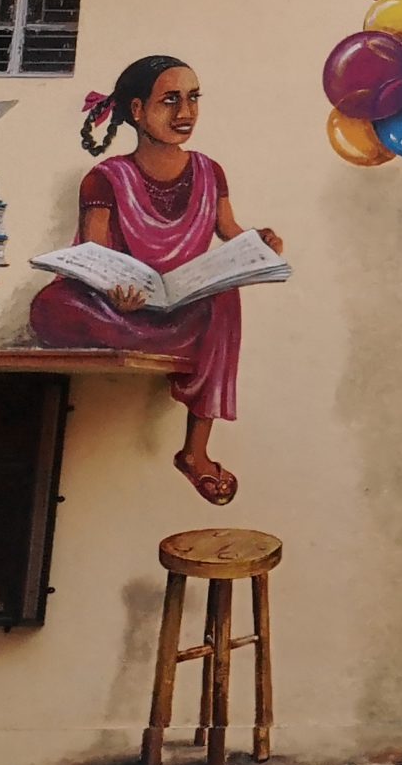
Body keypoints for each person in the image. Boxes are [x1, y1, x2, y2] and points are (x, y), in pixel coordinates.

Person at [30, 55, 281, 505]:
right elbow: (96, 254)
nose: (185, 113)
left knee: (226, 299)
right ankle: (141, 335)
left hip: (179, 308)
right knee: (51, 307)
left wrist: (259, 242)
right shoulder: (105, 178)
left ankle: (195, 450)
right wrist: (115, 292)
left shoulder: (209, 171)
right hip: (116, 307)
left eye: (193, 98)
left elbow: (229, 229)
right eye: (170, 101)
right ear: (137, 110)